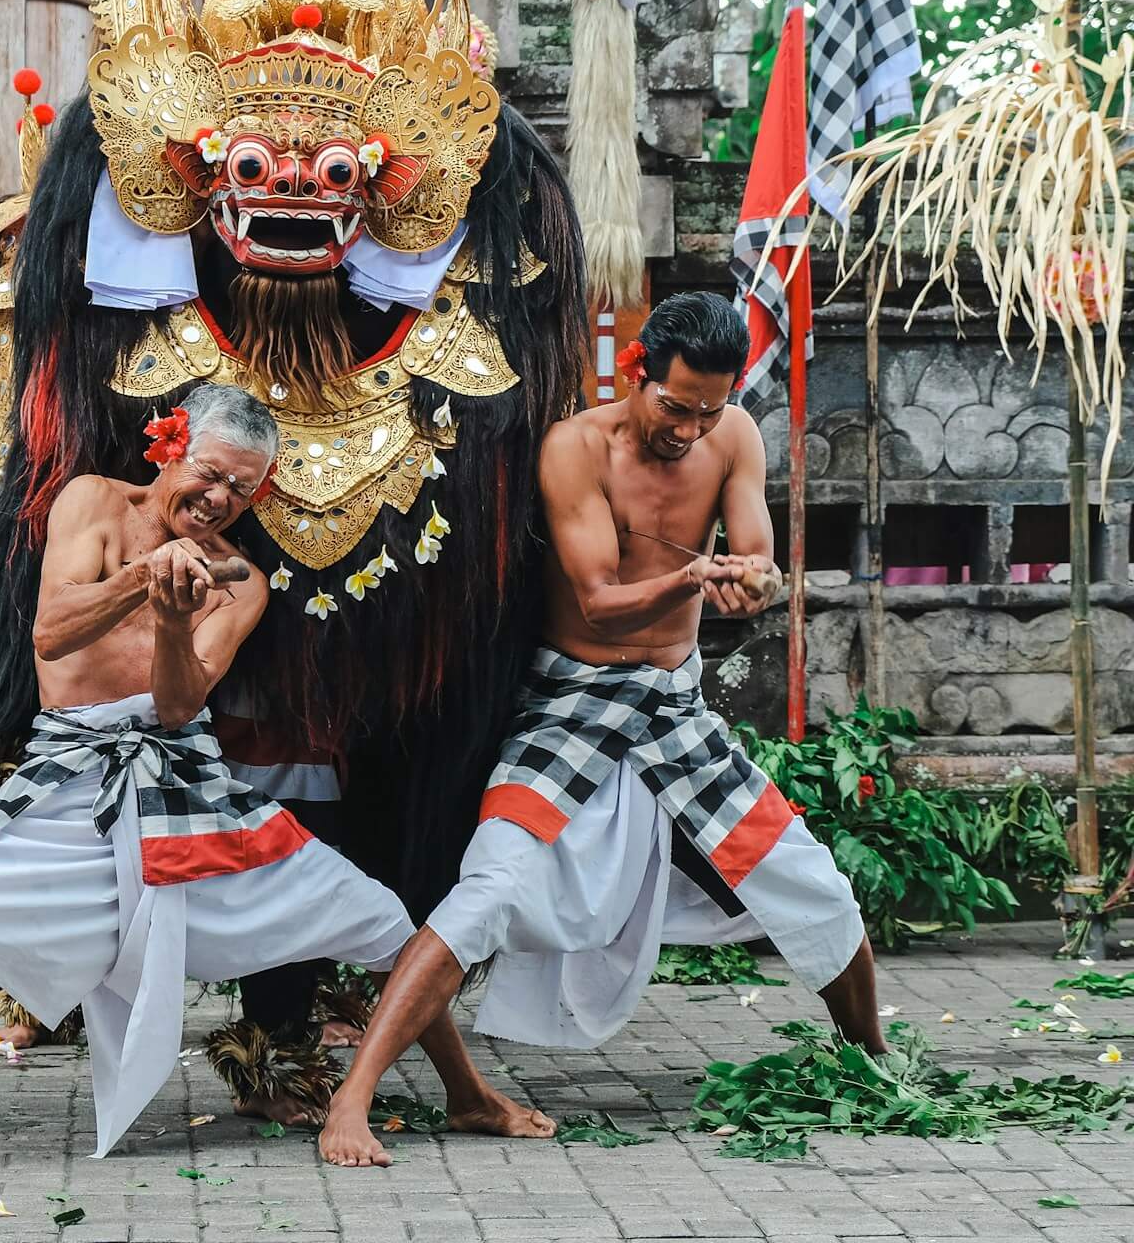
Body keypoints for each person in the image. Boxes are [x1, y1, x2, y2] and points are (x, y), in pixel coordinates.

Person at [0, 384, 549, 1177]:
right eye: (211, 475)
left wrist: (179, 625)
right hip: (65, 778)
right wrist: (146, 579)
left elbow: (181, 706)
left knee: (384, 922)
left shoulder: (241, 579)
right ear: (169, 445)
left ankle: (466, 1095)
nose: (220, 500)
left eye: (242, 492)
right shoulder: (91, 502)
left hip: (186, 784)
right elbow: (51, 633)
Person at [321, 292, 882, 1168]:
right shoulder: (574, 447)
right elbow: (599, 602)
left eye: (708, 410)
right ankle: (350, 1103)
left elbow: (760, 556)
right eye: (674, 406)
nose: (690, 431)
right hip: (572, 704)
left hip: (674, 710)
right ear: (634, 376)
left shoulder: (731, 434)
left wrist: (755, 582)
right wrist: (699, 577)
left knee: (810, 881)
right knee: (489, 892)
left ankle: (874, 1062)